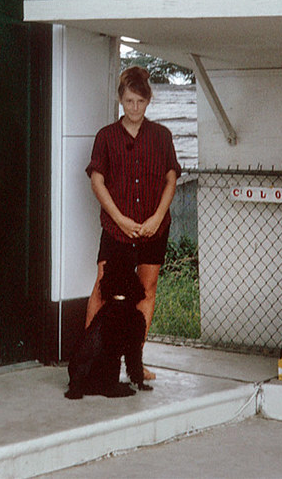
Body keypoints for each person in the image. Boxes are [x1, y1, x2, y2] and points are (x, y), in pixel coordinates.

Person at [84, 66, 181, 382]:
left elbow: (171, 179)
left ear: (148, 100)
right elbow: (97, 181)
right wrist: (120, 219)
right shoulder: (107, 137)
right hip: (117, 228)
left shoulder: (162, 136)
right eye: (128, 101)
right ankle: (89, 359)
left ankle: (135, 363)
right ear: (120, 100)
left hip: (154, 228)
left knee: (147, 289)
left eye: (140, 101)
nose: (134, 107)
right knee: (102, 287)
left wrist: (155, 218)